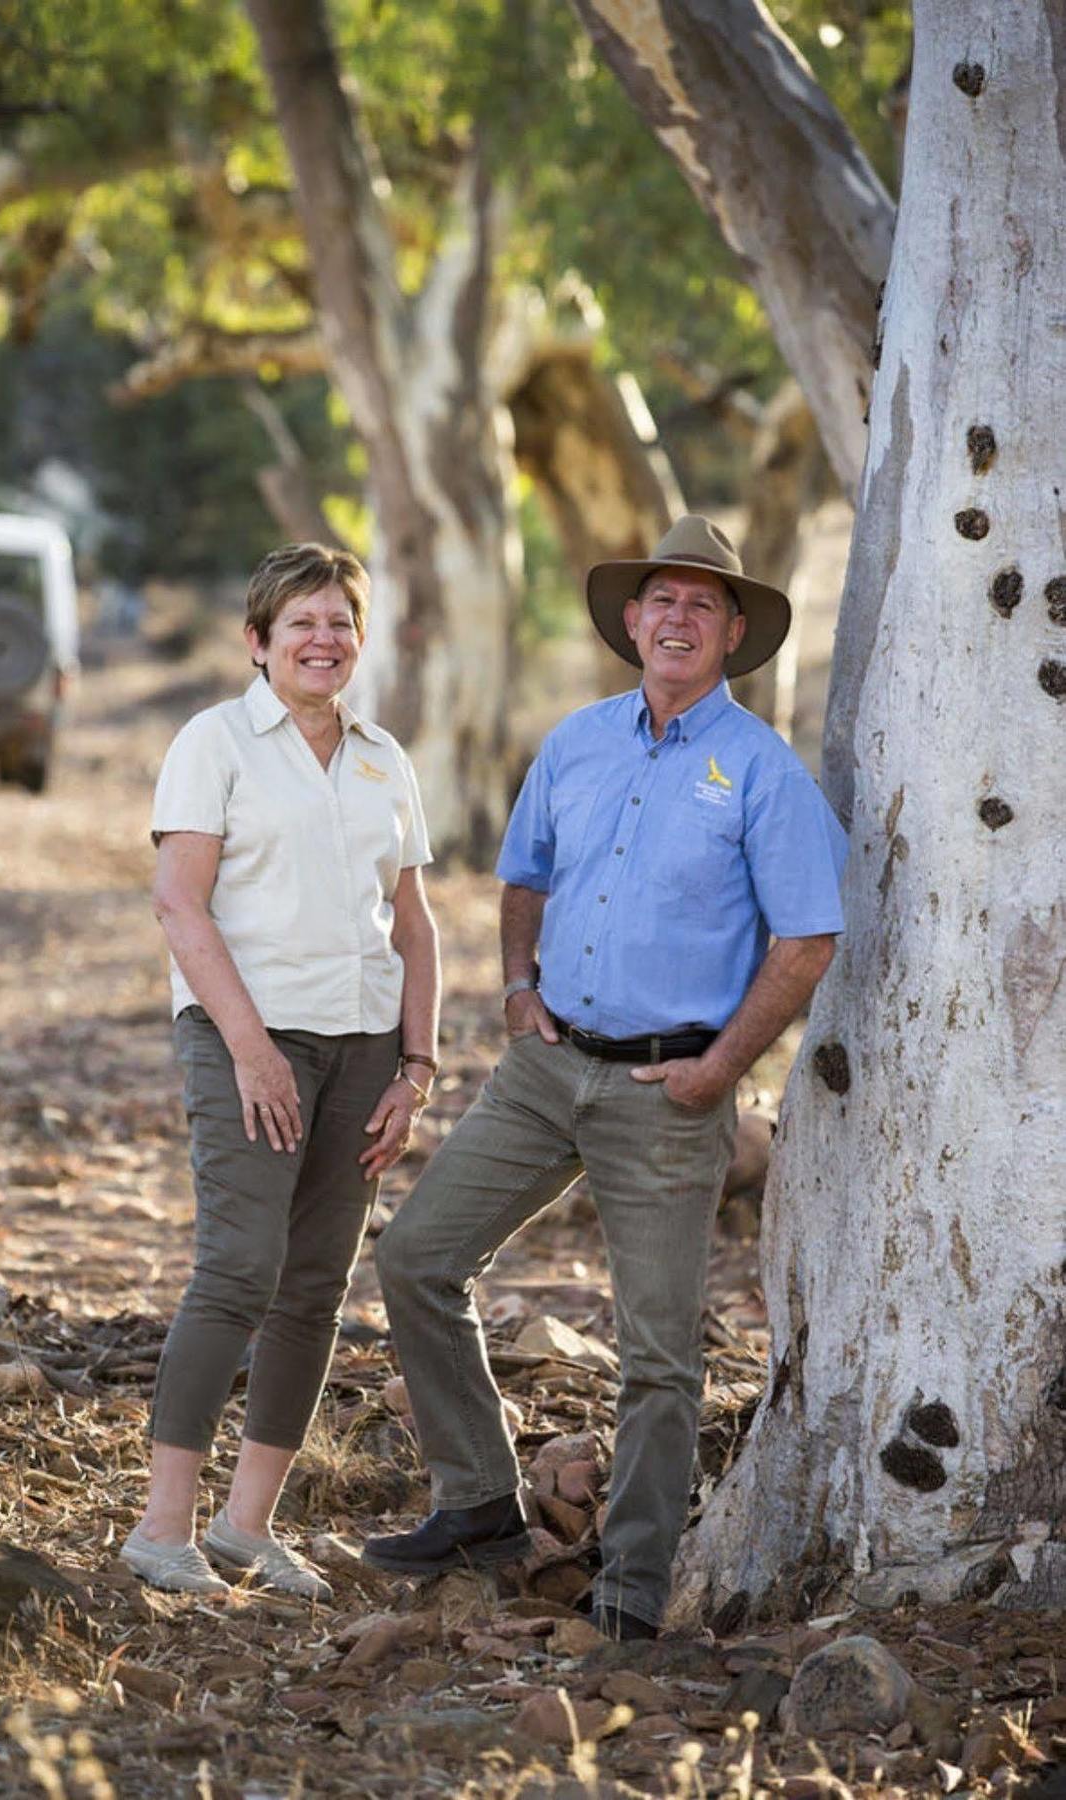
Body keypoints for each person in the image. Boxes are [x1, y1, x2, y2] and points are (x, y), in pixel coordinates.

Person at [365, 514, 847, 1638]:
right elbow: (524, 875)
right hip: (543, 1070)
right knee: (416, 1258)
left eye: (700, 604)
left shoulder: (762, 774)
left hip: (666, 1098)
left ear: (733, 631)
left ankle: (630, 1594)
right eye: (658, 600)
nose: (675, 618)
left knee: (659, 1358)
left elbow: (808, 941)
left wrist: (719, 1070)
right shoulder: (577, 742)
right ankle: (480, 1504)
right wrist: (518, 988)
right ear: (630, 621)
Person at [121, 542, 440, 1597]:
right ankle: (161, 1530)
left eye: (341, 622)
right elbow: (179, 903)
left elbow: (413, 924)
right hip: (244, 1037)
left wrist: (417, 1065)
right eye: (301, 622)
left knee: (311, 1291)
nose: (324, 640)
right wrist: (251, 1050)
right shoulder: (212, 744)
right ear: (257, 642)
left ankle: (245, 1529)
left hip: (361, 1049)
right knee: (238, 1268)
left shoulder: (385, 758)